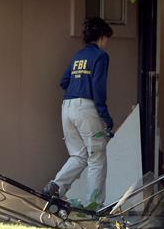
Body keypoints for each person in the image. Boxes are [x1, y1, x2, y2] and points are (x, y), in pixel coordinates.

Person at [43, 17, 114, 206]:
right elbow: (99, 90)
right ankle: (94, 205)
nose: (107, 43)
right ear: (101, 37)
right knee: (97, 157)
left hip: (67, 107)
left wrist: (78, 87)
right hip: (86, 108)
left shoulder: (78, 56)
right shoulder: (100, 56)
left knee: (79, 155)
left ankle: (56, 186)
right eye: (107, 38)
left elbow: (63, 81)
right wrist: (106, 118)